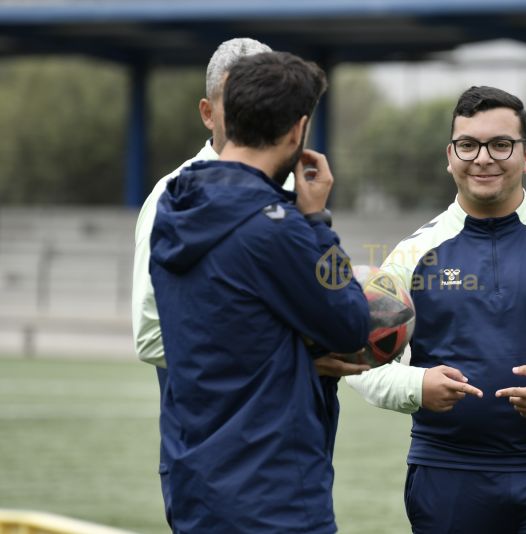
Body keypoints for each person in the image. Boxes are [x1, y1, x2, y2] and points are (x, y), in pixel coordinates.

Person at [347, 86, 526, 533]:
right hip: (449, 472)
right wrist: (416, 384)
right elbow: (361, 359)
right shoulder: (412, 254)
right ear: (450, 155)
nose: (483, 157)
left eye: (501, 144)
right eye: (468, 145)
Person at [131, 38, 367, 528]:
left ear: (224, 114)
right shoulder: (276, 226)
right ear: (298, 130)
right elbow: (350, 324)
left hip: (194, 475)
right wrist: (317, 222)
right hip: (270, 486)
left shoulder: (176, 204)